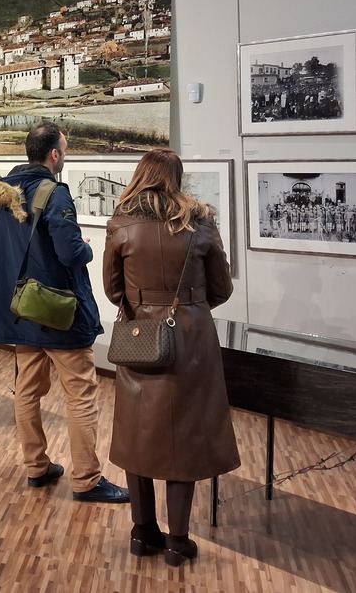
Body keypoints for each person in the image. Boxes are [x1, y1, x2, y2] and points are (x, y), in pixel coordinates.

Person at [102, 147, 238, 566]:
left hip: (140, 337)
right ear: (176, 178)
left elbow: (113, 290)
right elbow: (222, 288)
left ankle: (142, 531)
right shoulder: (200, 221)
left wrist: (144, 305)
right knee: (185, 436)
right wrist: (188, 307)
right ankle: (178, 541)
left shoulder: (121, 224)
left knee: (138, 433)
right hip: (191, 339)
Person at [0, 122, 129, 503]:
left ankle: (36, 467)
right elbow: (69, 252)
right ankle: (87, 479)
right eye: (64, 148)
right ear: (54, 154)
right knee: (80, 393)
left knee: (27, 390)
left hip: (23, 308)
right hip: (58, 310)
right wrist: (86, 247)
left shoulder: (4, 193)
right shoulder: (55, 193)